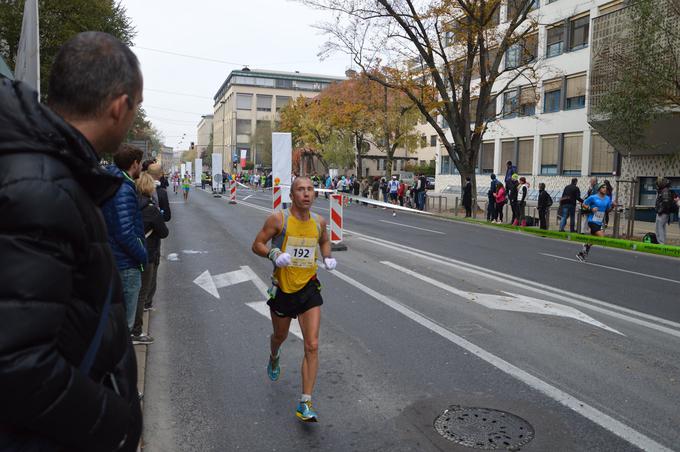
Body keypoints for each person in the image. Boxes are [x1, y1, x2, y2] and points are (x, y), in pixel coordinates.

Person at [0, 31, 142, 451]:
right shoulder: (44, 188)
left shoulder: (47, 170)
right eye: (136, 108)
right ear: (119, 107)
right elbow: (17, 362)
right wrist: (114, 422)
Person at [251, 176, 336, 423]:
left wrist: (328, 257)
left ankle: (305, 403)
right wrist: (273, 254)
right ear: (292, 195)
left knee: (312, 344)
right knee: (280, 336)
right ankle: (274, 355)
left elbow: (324, 240)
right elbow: (256, 244)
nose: (306, 194)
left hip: (309, 288)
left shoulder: (319, 222)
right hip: (284, 290)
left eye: (310, 190)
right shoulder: (279, 219)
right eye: (300, 190)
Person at [103, 144, 148, 331]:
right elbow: (125, 233)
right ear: (135, 163)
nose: (140, 168)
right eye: (140, 164)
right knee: (124, 327)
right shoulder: (124, 189)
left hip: (116, 259)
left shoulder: (114, 182)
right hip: (126, 264)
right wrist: (142, 255)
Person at [131, 173, 169, 344]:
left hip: (130, 251)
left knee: (131, 291)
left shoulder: (130, 204)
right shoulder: (151, 209)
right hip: (147, 253)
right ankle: (136, 332)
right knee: (141, 293)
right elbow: (164, 232)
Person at [577, 183, 614, 262]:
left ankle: (582, 252)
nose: (605, 189)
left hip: (599, 221)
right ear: (599, 189)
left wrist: (613, 206)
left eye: (606, 188)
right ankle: (585, 247)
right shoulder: (593, 197)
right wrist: (591, 208)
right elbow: (583, 204)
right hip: (592, 220)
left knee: (594, 239)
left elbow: (607, 210)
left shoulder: (607, 198)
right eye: (603, 187)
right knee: (601, 236)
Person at [655, 177, 675, 244]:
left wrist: (660, 210)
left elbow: (666, 202)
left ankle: (661, 242)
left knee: (660, 227)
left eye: (658, 183)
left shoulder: (665, 191)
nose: (657, 184)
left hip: (663, 213)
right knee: (661, 227)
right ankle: (661, 242)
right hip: (662, 212)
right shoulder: (663, 190)